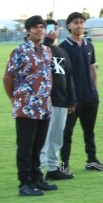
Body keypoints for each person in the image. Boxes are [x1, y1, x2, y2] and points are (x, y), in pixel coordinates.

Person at [2, 15, 55, 197]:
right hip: (26, 107)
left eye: (41, 27)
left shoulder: (47, 51)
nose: (39, 30)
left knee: (38, 146)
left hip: (44, 106)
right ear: (28, 30)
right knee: (26, 147)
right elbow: (8, 77)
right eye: (35, 27)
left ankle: (37, 178)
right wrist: (14, 98)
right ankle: (25, 183)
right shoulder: (20, 51)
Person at [60, 12, 103, 173]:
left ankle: (92, 160)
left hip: (90, 97)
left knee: (89, 131)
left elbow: (92, 68)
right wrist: (68, 98)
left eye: (81, 22)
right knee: (67, 133)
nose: (79, 25)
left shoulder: (89, 45)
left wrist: (95, 91)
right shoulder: (63, 47)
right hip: (72, 99)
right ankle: (64, 164)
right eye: (75, 22)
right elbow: (62, 75)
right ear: (69, 26)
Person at [40, 19, 77, 181]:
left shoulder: (62, 52)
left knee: (56, 137)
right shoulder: (40, 50)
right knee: (43, 139)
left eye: (55, 28)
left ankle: (53, 168)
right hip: (45, 101)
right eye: (49, 28)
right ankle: (39, 171)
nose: (52, 31)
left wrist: (72, 99)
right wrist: (47, 40)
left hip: (61, 100)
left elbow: (69, 76)